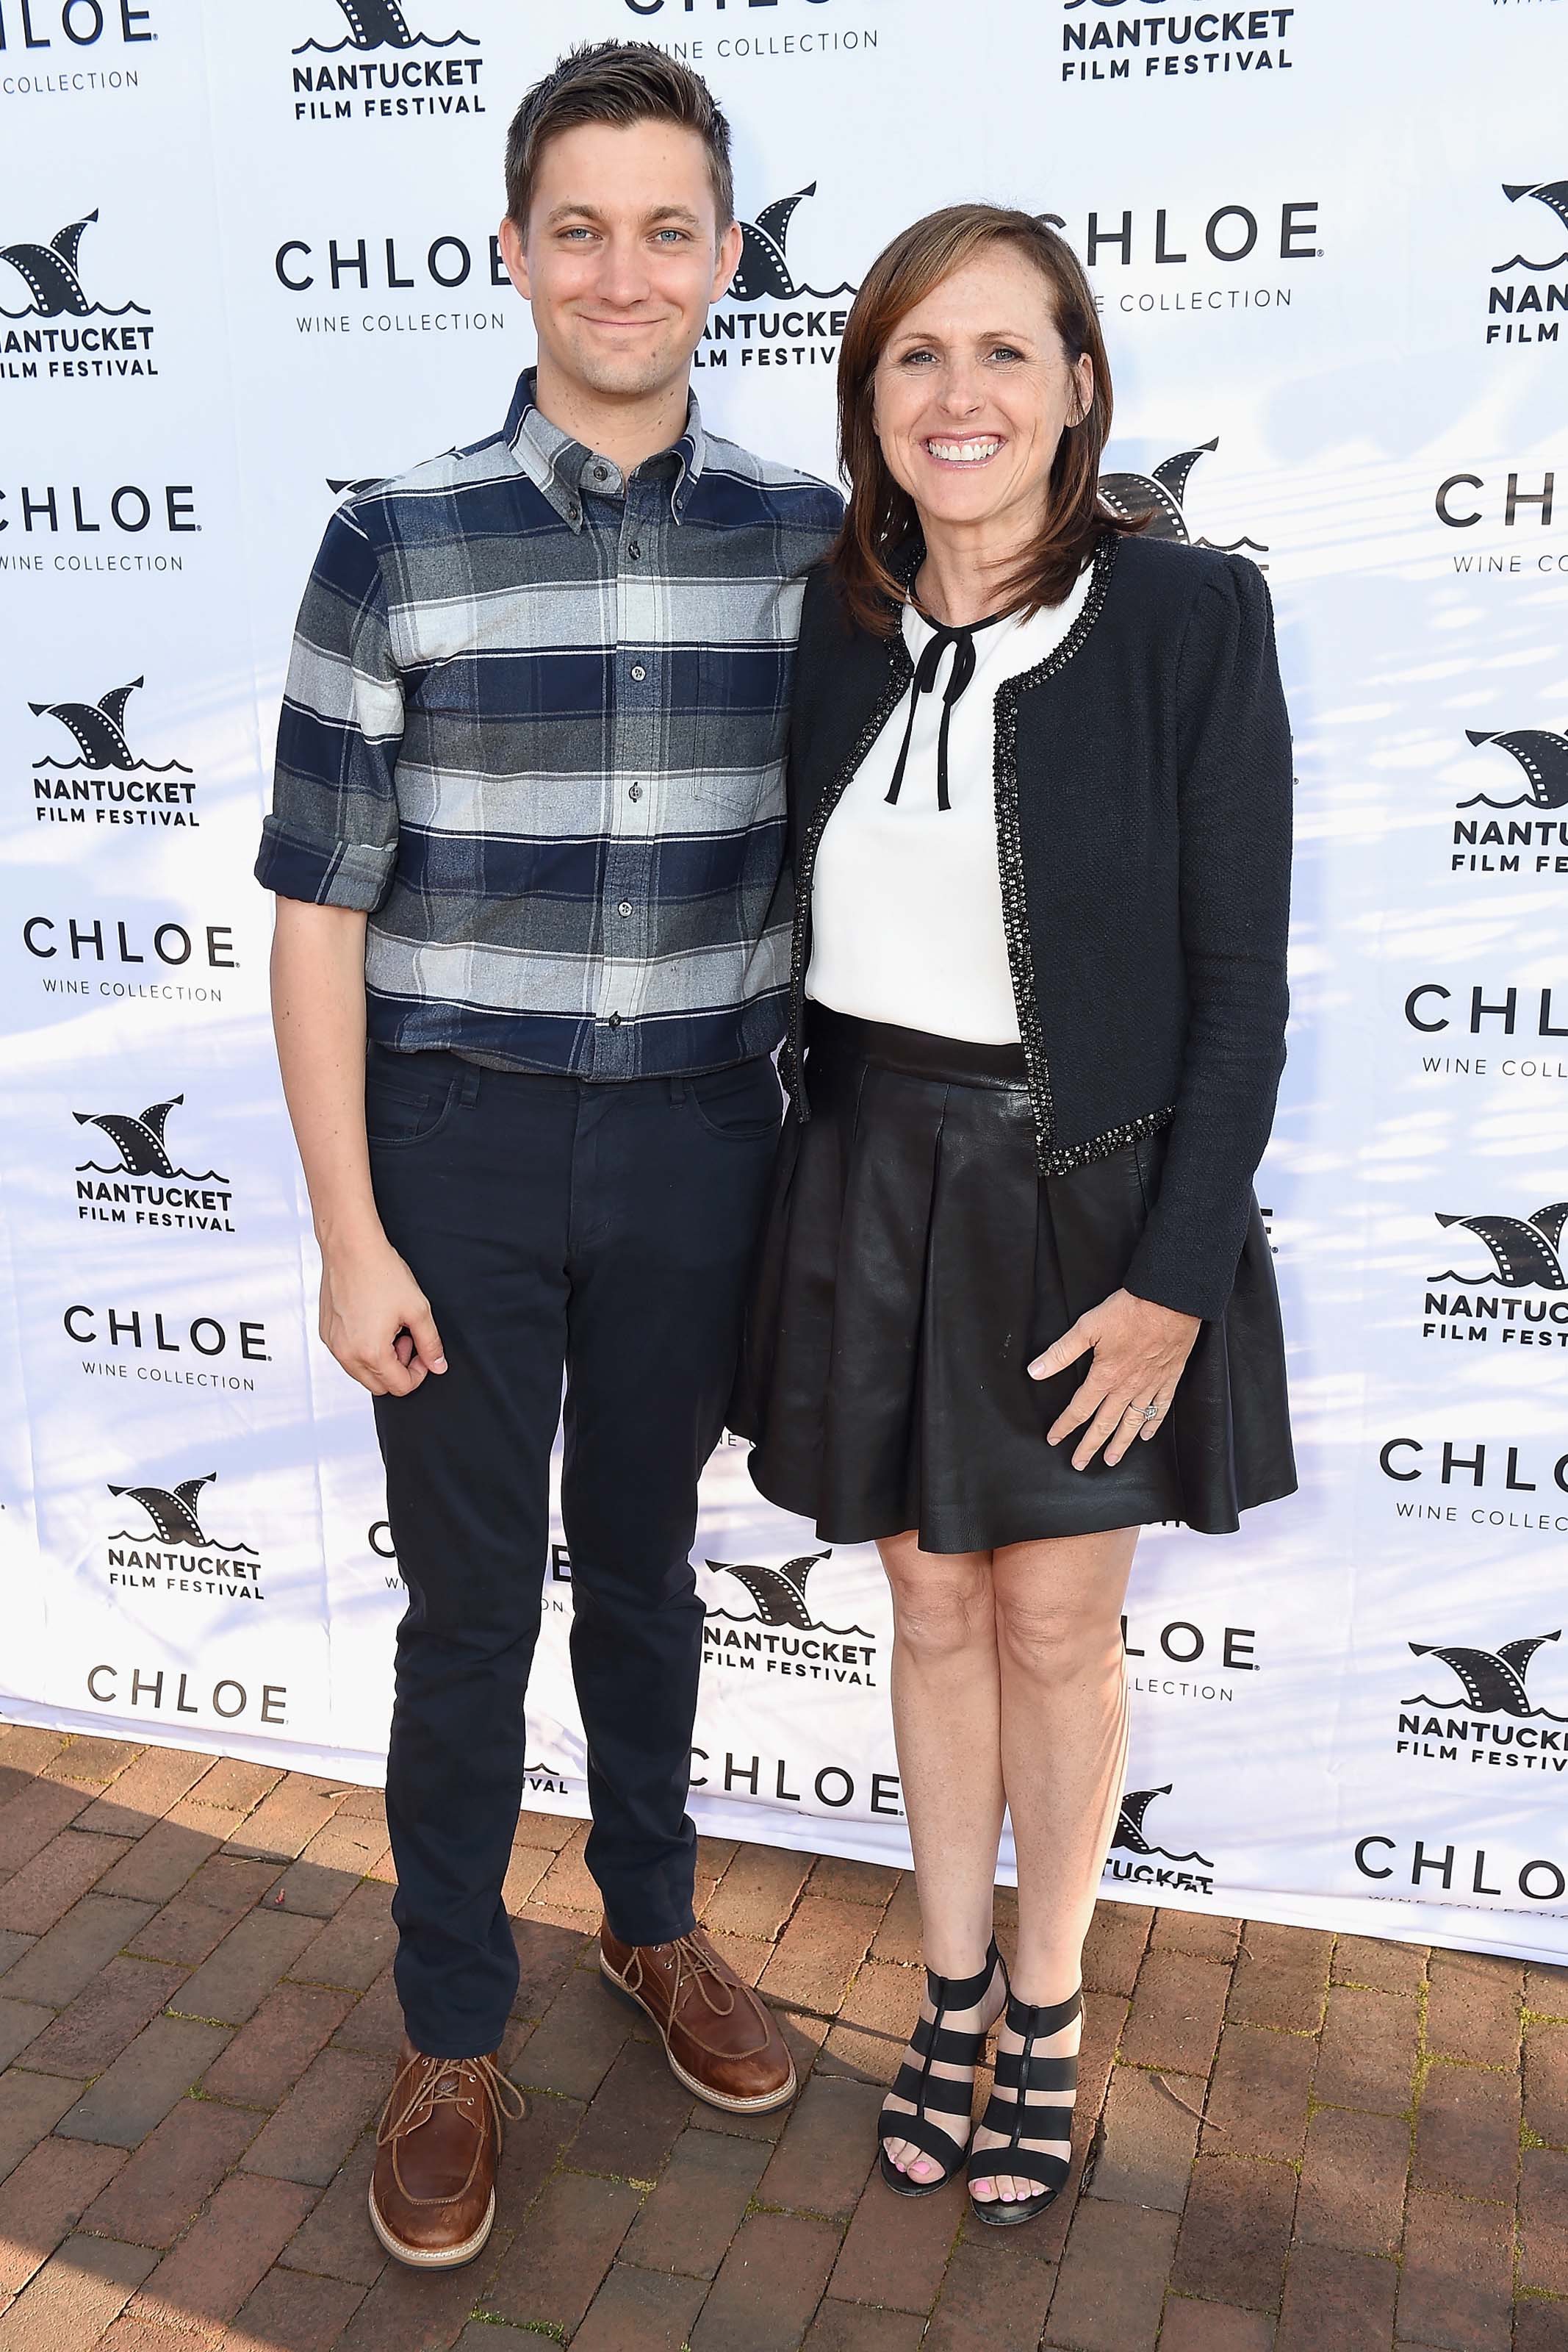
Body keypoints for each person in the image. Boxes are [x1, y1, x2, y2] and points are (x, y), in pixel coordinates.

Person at [257, 42, 841, 2270]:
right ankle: (449, 2026)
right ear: (511, 252)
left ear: (724, 259)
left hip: (708, 1137)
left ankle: (656, 1918)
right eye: (577, 226)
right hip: (461, 1148)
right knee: (470, 1610)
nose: (623, 268)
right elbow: (319, 903)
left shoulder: (813, 543)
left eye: (667, 226)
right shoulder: (392, 536)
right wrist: (347, 1225)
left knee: (654, 1578)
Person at [733, 204, 1295, 2226]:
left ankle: (1045, 2006)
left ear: (1078, 387)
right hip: (872, 1169)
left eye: (1003, 354)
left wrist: (1171, 1284)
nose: (957, 395)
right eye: (915, 357)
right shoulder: (830, 620)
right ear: (867, 395)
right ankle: (949, 1988)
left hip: (1089, 1193)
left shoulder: (1190, 619)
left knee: (1056, 1620)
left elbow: (1244, 992)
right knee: (929, 1601)